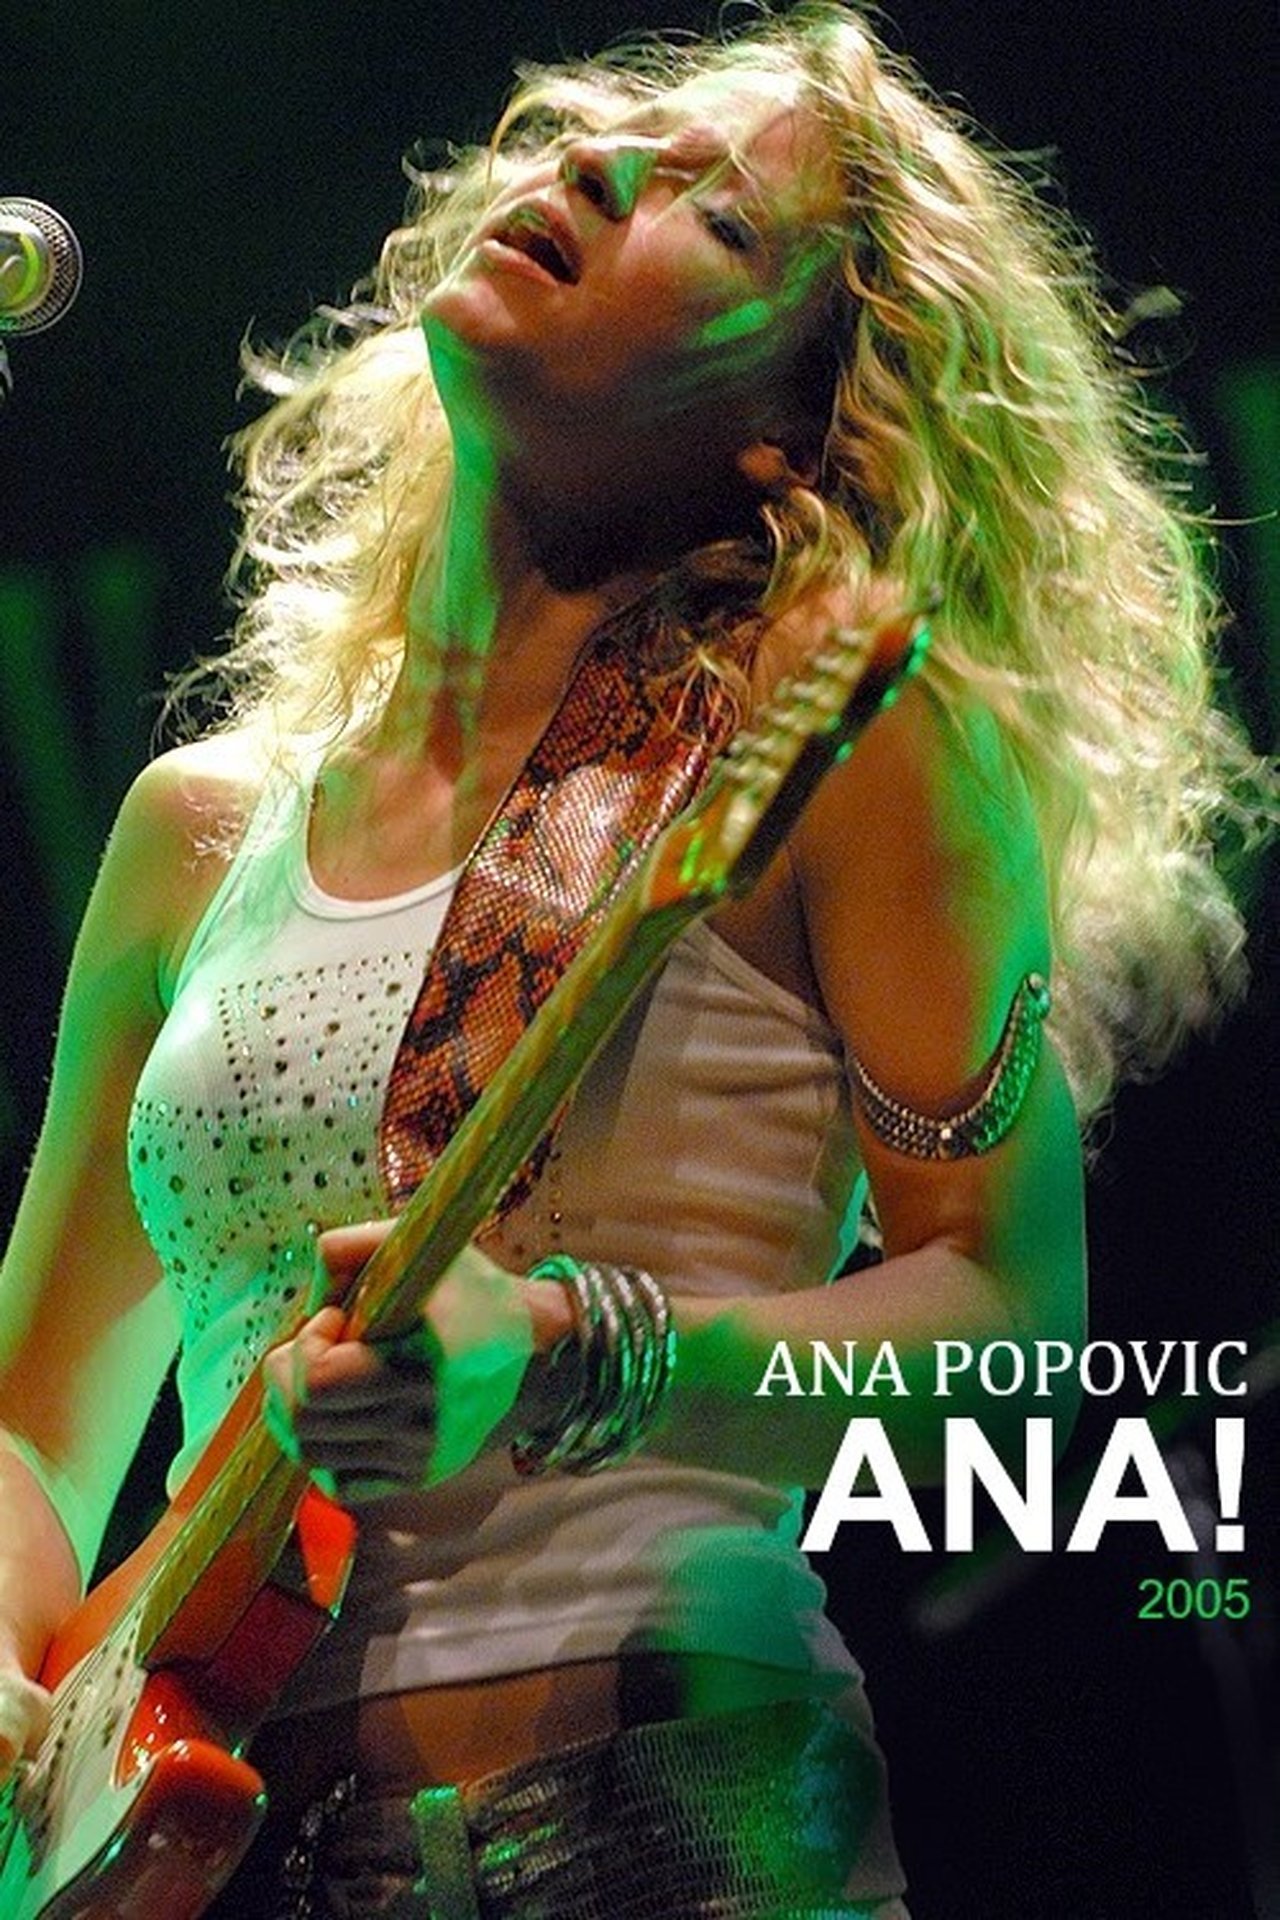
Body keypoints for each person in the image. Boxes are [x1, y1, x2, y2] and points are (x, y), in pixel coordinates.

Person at [0, 5, 1265, 1916]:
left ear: (792, 428)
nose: (594, 162)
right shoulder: (197, 827)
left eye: (723, 217)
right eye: (607, 130)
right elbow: (38, 1423)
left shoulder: (823, 741)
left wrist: (571, 1354)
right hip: (236, 1864)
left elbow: (1014, 1338)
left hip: (667, 1823)